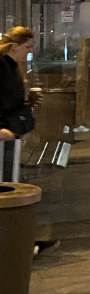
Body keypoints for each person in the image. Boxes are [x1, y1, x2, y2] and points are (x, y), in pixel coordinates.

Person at [0, 25, 36, 181]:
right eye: (27, 46)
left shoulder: (12, 68)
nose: (30, 51)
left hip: (9, 131)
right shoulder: (3, 67)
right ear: (14, 47)